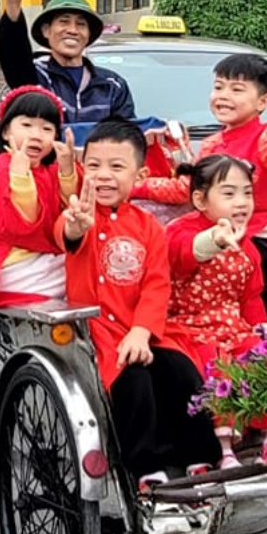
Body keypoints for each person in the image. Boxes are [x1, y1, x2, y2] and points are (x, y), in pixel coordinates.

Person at [60, 120, 221, 487]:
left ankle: (199, 456)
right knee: (132, 380)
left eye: (117, 167)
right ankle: (145, 467)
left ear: (140, 174)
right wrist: (75, 226)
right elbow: (66, 235)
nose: (103, 176)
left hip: (145, 326)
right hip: (98, 329)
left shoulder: (148, 226)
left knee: (182, 372)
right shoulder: (78, 213)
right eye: (95, 165)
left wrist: (142, 330)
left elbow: (156, 284)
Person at [133, 54, 267, 281]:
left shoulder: (265, 135)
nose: (224, 96)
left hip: (259, 240)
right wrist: (138, 183)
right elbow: (187, 189)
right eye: (219, 87)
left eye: (236, 90)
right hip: (222, 235)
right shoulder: (212, 144)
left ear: (263, 101)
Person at [163, 155, 267, 470]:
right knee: (218, 365)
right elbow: (184, 255)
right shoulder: (180, 231)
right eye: (229, 194)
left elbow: (251, 297)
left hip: (233, 326)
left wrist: (263, 330)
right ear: (200, 199)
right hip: (189, 327)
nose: (241, 202)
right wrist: (215, 240)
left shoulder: (248, 244)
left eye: (247, 193)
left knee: (265, 357)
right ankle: (224, 447)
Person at [0, 0, 146, 125]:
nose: (72, 30)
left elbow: (127, 137)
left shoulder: (112, 85)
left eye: (81, 24)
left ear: (89, 34)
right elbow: (13, 56)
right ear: (46, 30)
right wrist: (13, 1)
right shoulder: (35, 78)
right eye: (64, 21)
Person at [0, 85, 80, 307]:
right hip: (16, 265)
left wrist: (66, 170)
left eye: (46, 129)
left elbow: (67, 209)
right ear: (5, 131)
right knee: (90, 276)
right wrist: (20, 175)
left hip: (44, 260)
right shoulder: (4, 167)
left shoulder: (48, 168)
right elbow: (22, 224)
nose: (36, 135)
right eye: (26, 125)